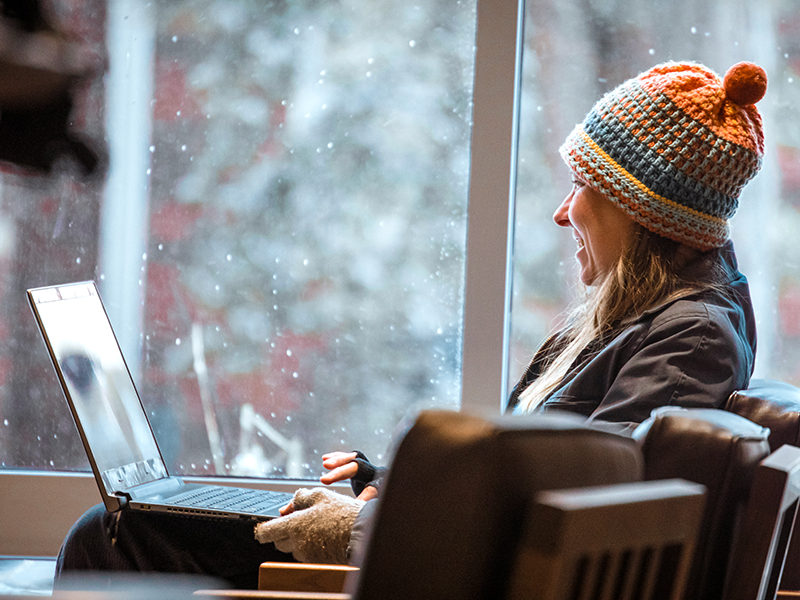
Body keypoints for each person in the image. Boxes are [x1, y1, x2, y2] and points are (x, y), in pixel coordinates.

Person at [55, 59, 767, 587]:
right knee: (129, 522)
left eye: (583, 186)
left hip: (446, 578)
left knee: (114, 536)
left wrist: (361, 528)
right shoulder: (653, 319)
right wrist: (392, 486)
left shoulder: (691, 335)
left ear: (641, 211)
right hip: (441, 561)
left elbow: (585, 511)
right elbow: (545, 476)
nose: (563, 210)